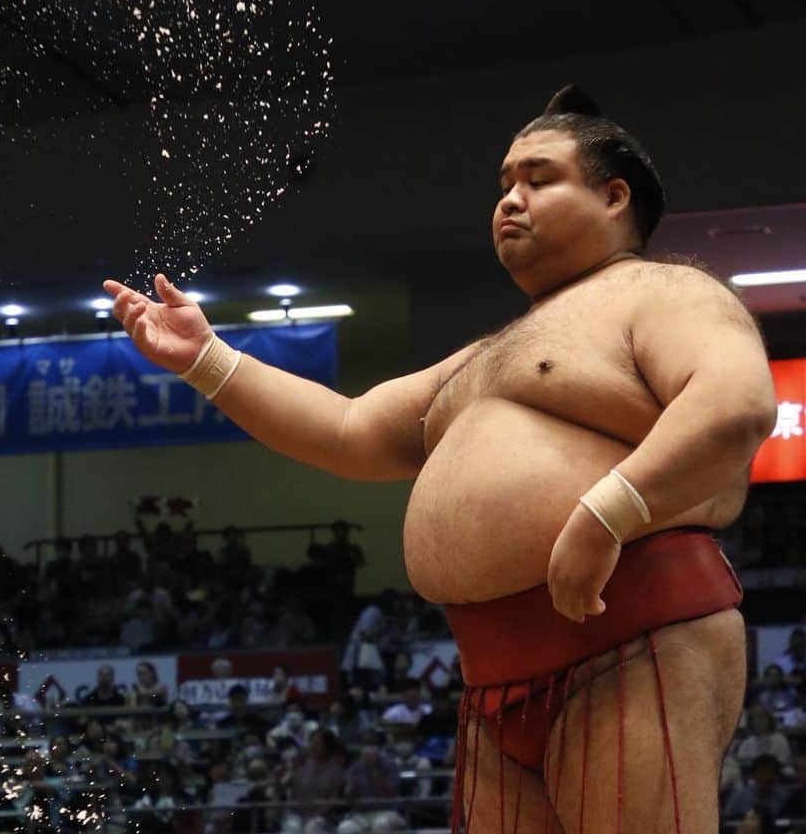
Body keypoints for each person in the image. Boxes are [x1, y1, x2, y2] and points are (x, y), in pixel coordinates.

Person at [104, 83, 777, 832]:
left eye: (538, 177)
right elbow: (348, 431)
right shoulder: (484, 356)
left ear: (615, 196)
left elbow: (735, 405)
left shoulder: (668, 292)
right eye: (504, 184)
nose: (510, 200)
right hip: (490, 678)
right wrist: (208, 360)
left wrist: (607, 513)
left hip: (628, 642)